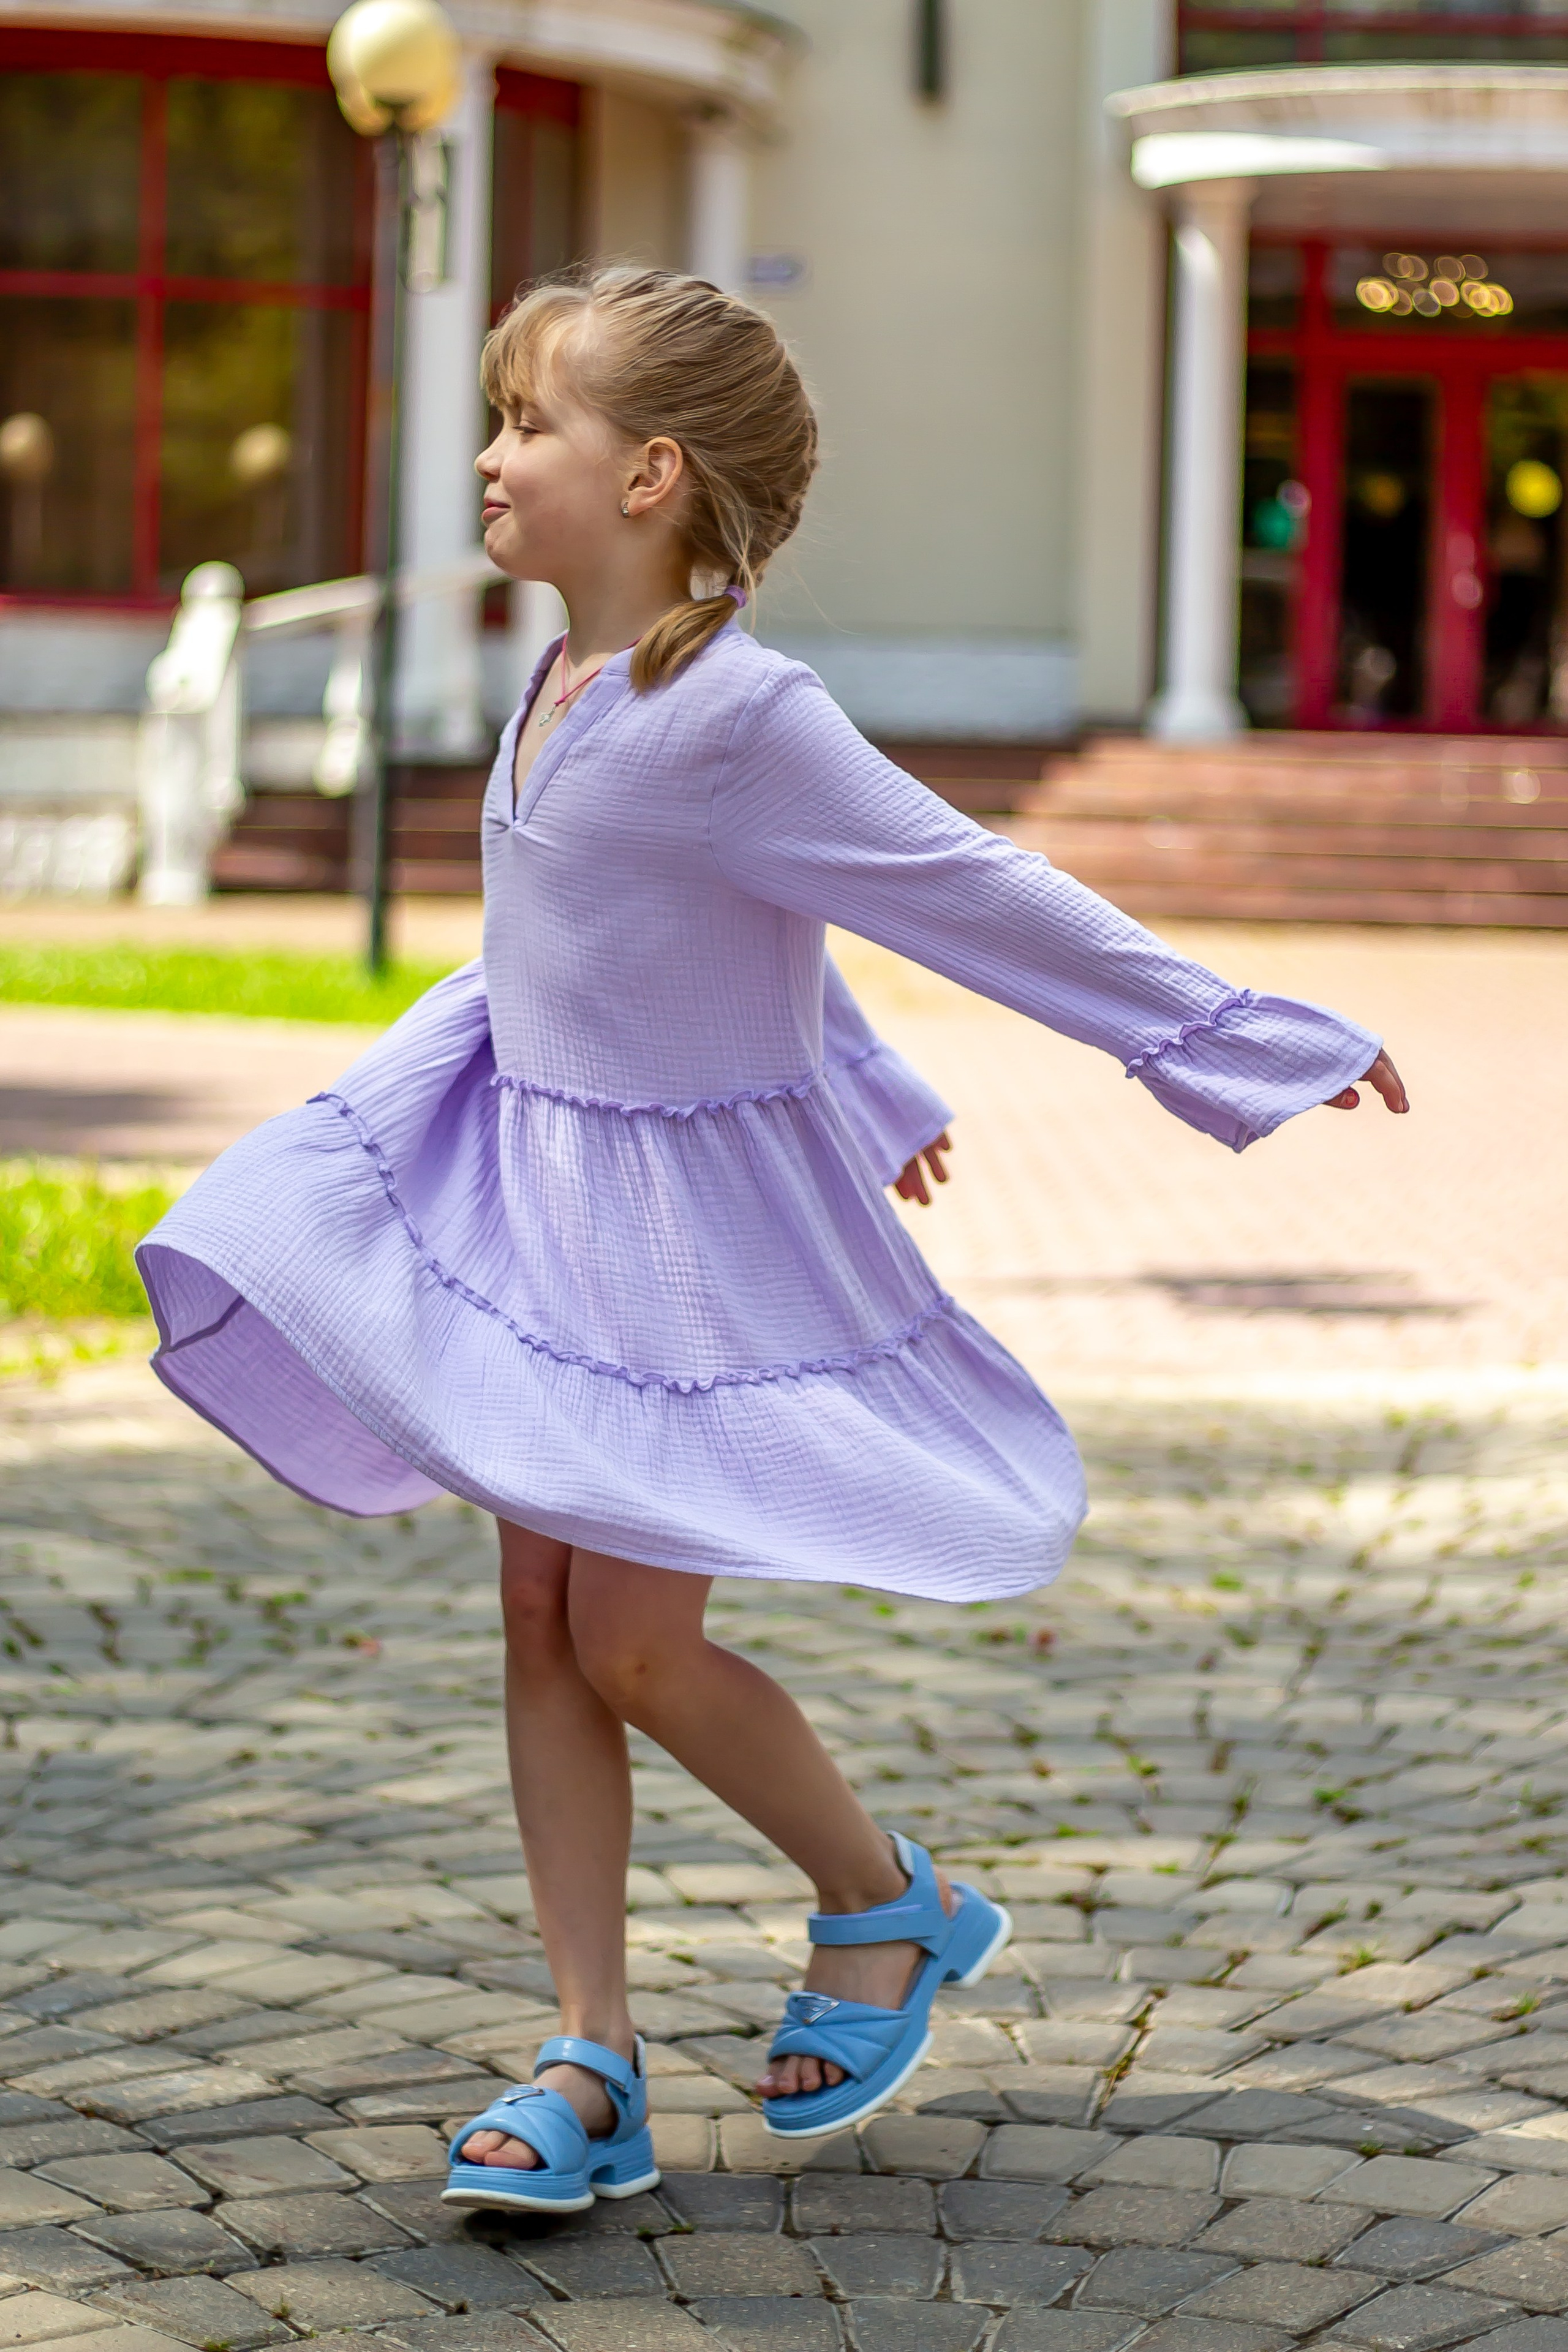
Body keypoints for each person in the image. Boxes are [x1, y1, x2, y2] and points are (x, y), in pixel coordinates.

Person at [137, 266, 1407, 2216]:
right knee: (543, 1622)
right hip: (529, 1188)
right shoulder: (556, 678)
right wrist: (876, 1081)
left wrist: (1244, 1040)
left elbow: (957, 888)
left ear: (647, 475)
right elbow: (722, 926)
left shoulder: (744, 712)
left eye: (525, 425)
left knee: (640, 1640)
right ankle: (591, 2053)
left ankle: (885, 1900)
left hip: (668, 1240)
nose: (487, 456)